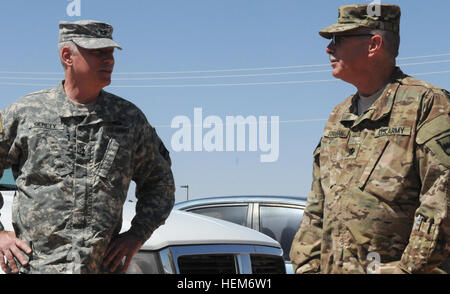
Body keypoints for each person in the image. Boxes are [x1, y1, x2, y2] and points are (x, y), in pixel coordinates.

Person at [0, 20, 175, 274]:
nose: (109, 60)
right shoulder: (25, 113)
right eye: (98, 52)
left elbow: (161, 182)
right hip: (35, 268)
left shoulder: (128, 119)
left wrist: (137, 235)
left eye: (111, 53)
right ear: (66, 56)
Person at [290, 4, 449, 274]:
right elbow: (317, 206)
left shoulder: (428, 104)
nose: (329, 49)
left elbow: (441, 205)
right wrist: (306, 267)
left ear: (374, 44)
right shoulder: (339, 115)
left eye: (338, 40)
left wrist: (406, 271)